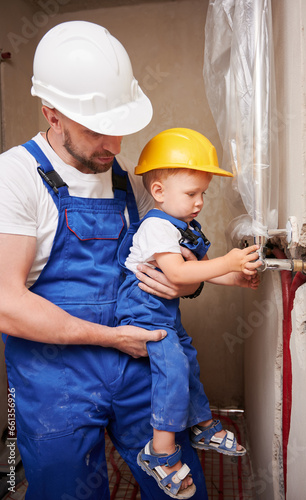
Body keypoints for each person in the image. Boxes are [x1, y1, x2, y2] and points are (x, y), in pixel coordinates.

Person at [0, 21, 211, 500]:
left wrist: (188, 283)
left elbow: (168, 260)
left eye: (121, 129)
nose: (116, 147)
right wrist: (112, 338)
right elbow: (6, 304)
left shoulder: (130, 182)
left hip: (137, 361)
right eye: (98, 130)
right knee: (67, 491)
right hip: (53, 376)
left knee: (180, 488)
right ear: (52, 115)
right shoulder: (14, 178)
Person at [115, 128, 261, 498]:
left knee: (189, 361)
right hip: (143, 314)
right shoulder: (156, 227)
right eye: (191, 193)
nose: (199, 202)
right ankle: (159, 451)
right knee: (174, 370)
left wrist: (235, 279)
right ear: (160, 192)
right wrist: (229, 261)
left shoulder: (184, 228)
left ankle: (201, 425)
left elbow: (202, 270)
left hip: (165, 314)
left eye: (203, 194)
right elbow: (179, 273)